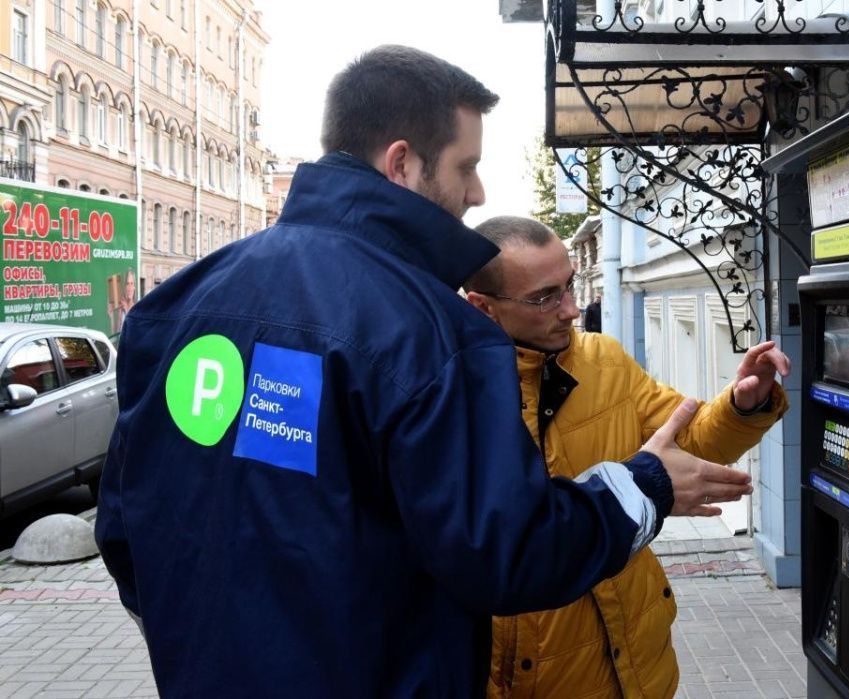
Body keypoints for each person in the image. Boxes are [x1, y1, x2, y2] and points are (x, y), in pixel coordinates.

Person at [93, 46, 753, 697]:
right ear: (402, 163)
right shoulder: (429, 332)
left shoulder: (174, 307)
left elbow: (125, 526)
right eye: (465, 166)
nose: (478, 192)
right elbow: (511, 551)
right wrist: (644, 486)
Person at [464, 216, 791, 698]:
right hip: (536, 679)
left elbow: (684, 446)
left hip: (639, 660)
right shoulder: (452, 395)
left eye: (570, 285)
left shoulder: (605, 361)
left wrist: (743, 404)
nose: (572, 310)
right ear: (484, 309)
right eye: (545, 297)